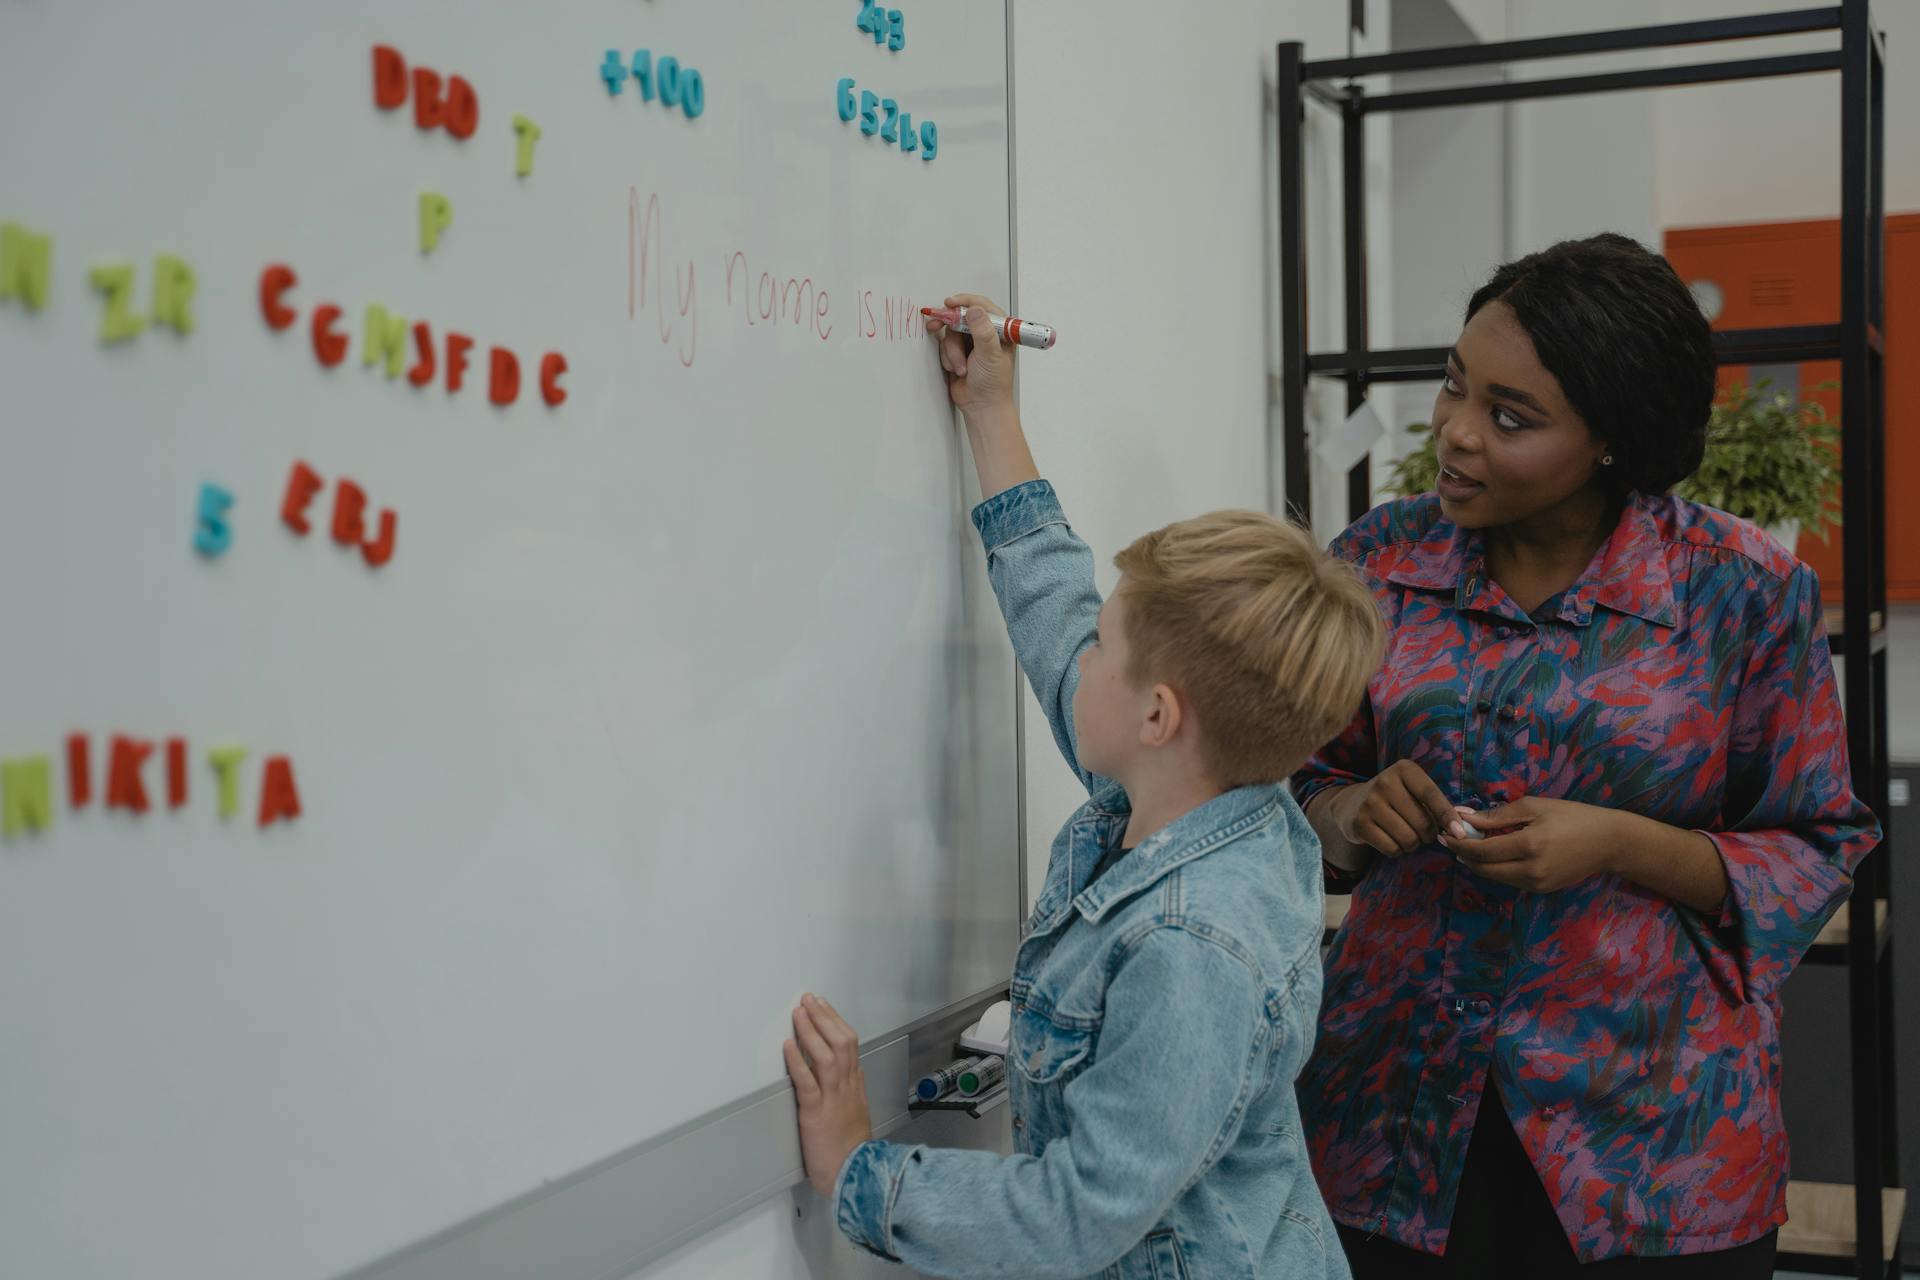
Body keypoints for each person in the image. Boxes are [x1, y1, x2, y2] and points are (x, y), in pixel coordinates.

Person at [1293, 233, 1882, 1278]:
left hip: (1657, 1148)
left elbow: (1814, 842)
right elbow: (1292, 781)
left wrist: (1620, 842)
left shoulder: (1740, 593)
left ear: (1614, 439)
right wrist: (1347, 813)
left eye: (1510, 417)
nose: (1457, 436)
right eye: (1455, 387)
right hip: (1394, 1119)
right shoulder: (1373, 565)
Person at [781, 294, 1383, 1278]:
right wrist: (992, 412)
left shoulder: (1192, 947)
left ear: (1156, 714)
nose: (1081, 651)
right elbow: (1053, 602)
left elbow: (1077, 1213)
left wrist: (859, 1166)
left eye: (1106, 642)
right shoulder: (1199, 787)